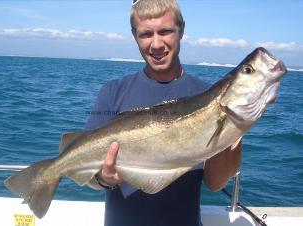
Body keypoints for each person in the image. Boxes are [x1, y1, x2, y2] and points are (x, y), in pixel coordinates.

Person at [85, 0, 241, 225]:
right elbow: (91, 176)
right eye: (146, 34)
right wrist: (104, 179)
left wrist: (236, 124)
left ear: (181, 30)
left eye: (166, 31)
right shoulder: (112, 92)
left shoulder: (209, 96)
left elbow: (216, 183)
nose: (156, 44)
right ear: (134, 35)